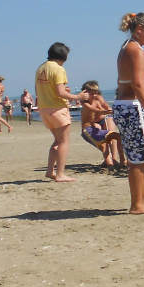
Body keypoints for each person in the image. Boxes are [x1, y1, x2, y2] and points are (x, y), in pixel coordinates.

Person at [112, 12, 144, 214]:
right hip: (133, 108)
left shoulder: (134, 47)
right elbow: (138, 84)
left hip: (133, 107)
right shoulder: (134, 49)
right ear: (140, 30)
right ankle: (137, 204)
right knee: (137, 158)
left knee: (142, 156)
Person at [35, 42, 89, 182]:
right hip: (57, 108)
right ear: (63, 56)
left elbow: (41, 90)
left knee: (57, 141)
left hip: (44, 108)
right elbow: (60, 92)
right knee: (64, 141)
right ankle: (60, 173)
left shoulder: (41, 68)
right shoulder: (58, 69)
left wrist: (64, 92)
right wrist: (78, 97)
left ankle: (49, 171)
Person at [79, 81, 123, 169]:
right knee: (102, 139)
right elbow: (94, 110)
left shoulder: (98, 97)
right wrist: (105, 111)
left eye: (96, 92)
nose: (94, 94)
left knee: (112, 134)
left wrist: (110, 111)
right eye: (91, 93)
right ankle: (108, 159)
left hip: (104, 118)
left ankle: (114, 158)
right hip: (93, 123)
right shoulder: (84, 102)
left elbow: (106, 106)